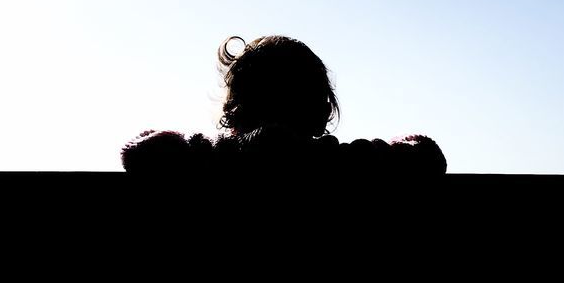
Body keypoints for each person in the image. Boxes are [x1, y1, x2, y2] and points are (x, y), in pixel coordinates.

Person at [121, 35, 446, 174]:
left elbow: (142, 152)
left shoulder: (212, 162)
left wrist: (179, 142)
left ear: (232, 113)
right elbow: (425, 158)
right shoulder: (342, 166)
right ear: (323, 112)